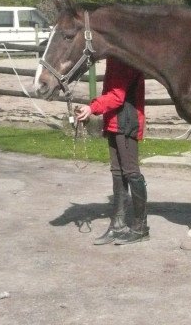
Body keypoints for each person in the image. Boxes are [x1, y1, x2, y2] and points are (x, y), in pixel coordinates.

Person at [75, 56, 149, 245]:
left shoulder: (125, 59)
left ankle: (140, 227)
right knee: (117, 173)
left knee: (131, 172)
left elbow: (117, 96)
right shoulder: (115, 59)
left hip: (126, 122)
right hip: (115, 122)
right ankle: (118, 224)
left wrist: (92, 108)